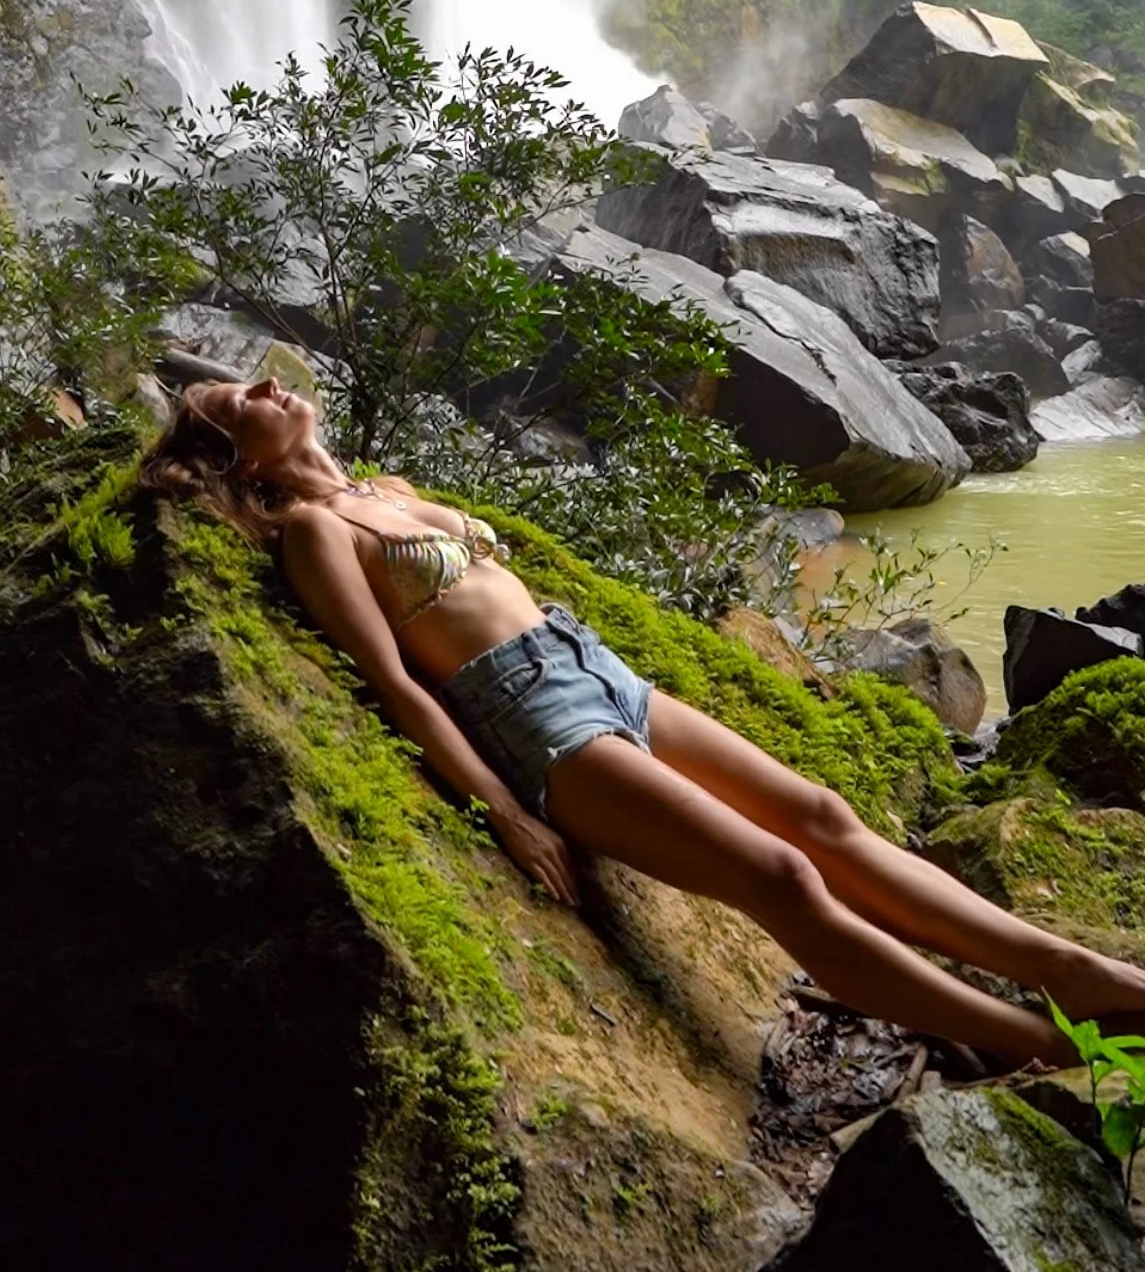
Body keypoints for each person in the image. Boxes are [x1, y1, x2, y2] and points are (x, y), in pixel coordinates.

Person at [142, 374, 1145, 1070]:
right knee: (781, 877)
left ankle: (1073, 971)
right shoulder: (314, 532)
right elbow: (397, 684)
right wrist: (503, 811)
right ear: (243, 462)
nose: (265, 384)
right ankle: (1038, 1040)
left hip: (593, 665)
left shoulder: (384, 490)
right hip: (533, 718)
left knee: (822, 816)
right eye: (239, 402)